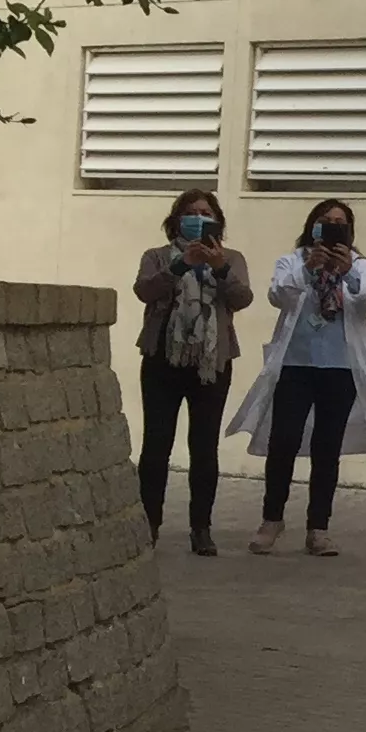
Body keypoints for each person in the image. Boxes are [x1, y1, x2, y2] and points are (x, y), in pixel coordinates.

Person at [228, 198, 366, 557]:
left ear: (349, 232)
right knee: (284, 440)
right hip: (296, 364)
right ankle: (271, 519)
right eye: (326, 221)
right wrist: (308, 269)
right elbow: (279, 296)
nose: (332, 226)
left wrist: (348, 271)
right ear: (312, 226)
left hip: (341, 367)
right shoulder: (292, 261)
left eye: (340, 222)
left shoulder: (361, 266)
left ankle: (318, 528)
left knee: (327, 447)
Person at [130, 187, 250, 556]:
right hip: (162, 358)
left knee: (203, 447)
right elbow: (144, 291)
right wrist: (181, 265)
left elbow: (241, 298)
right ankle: (149, 524)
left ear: (216, 221)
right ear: (177, 219)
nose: (198, 218)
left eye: (205, 212)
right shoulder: (157, 256)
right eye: (190, 213)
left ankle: (201, 528)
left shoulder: (231, 258)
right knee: (156, 446)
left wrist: (218, 267)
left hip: (211, 363)